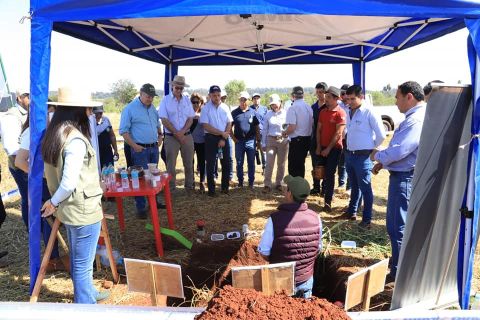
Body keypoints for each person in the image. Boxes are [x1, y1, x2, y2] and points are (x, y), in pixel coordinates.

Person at [41, 87, 108, 303]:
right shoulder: (75, 140)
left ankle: (89, 293)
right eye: (88, 109)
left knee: (81, 261)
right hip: (82, 210)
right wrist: (52, 202)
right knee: (82, 265)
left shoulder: (56, 134)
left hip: (70, 210)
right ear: (77, 111)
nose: (90, 113)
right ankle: (85, 306)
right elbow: (68, 183)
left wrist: (55, 202)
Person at [371, 81, 425, 283]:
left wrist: (378, 156)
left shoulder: (415, 121)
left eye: (397, 97)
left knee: (397, 227)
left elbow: (401, 150)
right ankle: (399, 267)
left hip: (404, 179)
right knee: (397, 226)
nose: (395, 102)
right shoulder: (414, 118)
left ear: (409, 96)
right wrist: (383, 164)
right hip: (403, 176)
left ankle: (400, 274)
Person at [15, 110, 68, 272]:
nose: (50, 116)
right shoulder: (30, 132)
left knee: (50, 218)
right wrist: (38, 177)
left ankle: (53, 255)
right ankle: (52, 258)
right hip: (40, 182)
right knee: (48, 218)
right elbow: (19, 161)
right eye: (47, 112)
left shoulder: (45, 130)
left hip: (47, 180)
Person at [258, 175, 321, 299]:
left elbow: (264, 251)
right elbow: (318, 249)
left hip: (280, 282)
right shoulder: (316, 218)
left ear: (290, 194)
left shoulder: (274, 219)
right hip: (305, 280)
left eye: (286, 189)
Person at [340, 85, 386, 228]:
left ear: (361, 97)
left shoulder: (369, 112)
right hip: (350, 154)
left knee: (365, 188)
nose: (350, 102)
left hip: (363, 156)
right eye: (348, 99)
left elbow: (381, 135)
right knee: (354, 185)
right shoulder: (349, 111)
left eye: (353, 99)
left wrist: (372, 149)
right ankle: (352, 212)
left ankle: (366, 220)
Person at [119, 83, 164, 218]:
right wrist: (134, 146)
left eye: (152, 96)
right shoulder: (130, 109)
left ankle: (154, 202)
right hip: (140, 149)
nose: (150, 99)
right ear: (140, 93)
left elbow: (157, 124)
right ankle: (141, 207)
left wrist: (160, 136)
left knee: (153, 176)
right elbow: (123, 131)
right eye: (147, 96)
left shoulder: (153, 110)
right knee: (140, 179)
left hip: (153, 148)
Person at [158, 75, 195, 191]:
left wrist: (182, 132)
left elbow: (190, 118)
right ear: (172, 86)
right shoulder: (165, 100)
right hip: (171, 137)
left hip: (187, 136)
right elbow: (164, 119)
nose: (178, 90)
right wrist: (177, 133)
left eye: (181, 88)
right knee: (171, 165)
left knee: (189, 163)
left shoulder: (187, 100)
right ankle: (171, 187)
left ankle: (189, 186)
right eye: (176, 88)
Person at [0, 88, 29, 228]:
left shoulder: (32, 112)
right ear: (19, 98)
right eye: (27, 96)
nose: (31, 99)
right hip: (21, 167)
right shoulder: (11, 117)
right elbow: (12, 148)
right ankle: (31, 227)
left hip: (30, 165)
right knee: (28, 197)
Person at [315, 86, 346, 212]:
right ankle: (325, 194)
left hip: (334, 149)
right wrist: (318, 146)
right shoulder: (323, 112)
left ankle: (328, 202)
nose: (325, 99)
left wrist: (328, 149)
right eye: (326, 97)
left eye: (328, 97)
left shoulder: (340, 113)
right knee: (320, 172)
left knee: (330, 174)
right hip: (322, 147)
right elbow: (318, 129)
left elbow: (339, 133)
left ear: (336, 99)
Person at [200, 85, 233, 197]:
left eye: (218, 95)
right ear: (209, 95)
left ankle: (224, 188)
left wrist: (224, 137)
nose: (217, 97)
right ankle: (212, 191)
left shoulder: (225, 107)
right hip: (210, 138)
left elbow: (229, 123)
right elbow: (205, 126)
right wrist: (221, 133)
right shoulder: (205, 108)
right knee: (211, 164)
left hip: (224, 137)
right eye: (214, 95)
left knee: (226, 163)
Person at [231, 91, 260, 189]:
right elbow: (229, 127)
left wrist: (258, 140)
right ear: (239, 100)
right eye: (241, 99)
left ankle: (251, 183)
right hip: (239, 142)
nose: (243, 101)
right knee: (239, 163)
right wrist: (234, 139)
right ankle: (240, 182)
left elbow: (256, 126)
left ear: (248, 101)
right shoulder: (234, 113)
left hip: (251, 141)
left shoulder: (252, 112)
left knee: (251, 163)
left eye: (245, 100)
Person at [283, 86, 313, 178]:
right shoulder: (308, 106)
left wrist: (284, 133)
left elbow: (292, 127)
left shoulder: (293, 108)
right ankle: (299, 189)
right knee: (301, 165)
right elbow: (312, 124)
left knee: (294, 167)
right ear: (303, 95)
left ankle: (295, 190)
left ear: (293, 95)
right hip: (307, 139)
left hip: (297, 140)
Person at [261, 94, 289, 193]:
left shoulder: (286, 113)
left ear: (280, 102)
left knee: (281, 164)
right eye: (272, 104)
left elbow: (289, 127)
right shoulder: (268, 114)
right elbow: (264, 130)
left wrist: (288, 138)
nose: (274, 106)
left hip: (283, 141)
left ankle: (279, 183)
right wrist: (263, 143)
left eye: (276, 104)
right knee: (269, 163)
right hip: (271, 140)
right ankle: (267, 184)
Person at [310, 82, 328, 195]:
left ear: (326, 92)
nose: (319, 95)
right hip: (314, 140)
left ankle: (325, 188)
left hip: (326, 140)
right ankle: (316, 187)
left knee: (326, 165)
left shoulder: (330, 107)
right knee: (315, 164)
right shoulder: (313, 107)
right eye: (317, 92)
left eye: (321, 92)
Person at [190, 93, 206, 192]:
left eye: (198, 102)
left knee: (202, 162)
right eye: (193, 102)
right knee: (190, 162)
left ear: (201, 103)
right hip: (190, 142)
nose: (196, 104)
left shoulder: (204, 113)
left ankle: (202, 182)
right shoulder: (188, 113)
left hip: (202, 141)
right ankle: (191, 182)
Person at [337, 84, 350, 189]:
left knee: (350, 163)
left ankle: (350, 186)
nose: (343, 96)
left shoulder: (353, 106)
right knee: (341, 163)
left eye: (344, 93)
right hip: (341, 138)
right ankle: (341, 184)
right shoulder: (338, 105)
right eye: (341, 94)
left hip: (352, 139)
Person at [251, 93, 268, 175]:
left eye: (258, 98)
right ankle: (252, 168)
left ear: (260, 99)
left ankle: (265, 167)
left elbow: (267, 121)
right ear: (252, 100)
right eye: (254, 98)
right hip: (251, 133)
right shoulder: (249, 109)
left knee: (263, 151)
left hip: (262, 133)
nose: (256, 99)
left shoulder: (264, 109)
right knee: (252, 151)